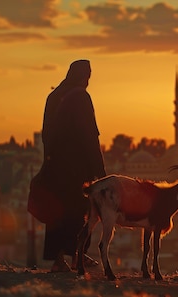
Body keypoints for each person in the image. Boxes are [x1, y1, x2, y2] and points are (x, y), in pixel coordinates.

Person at [41, 59, 106, 272]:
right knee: (80, 211)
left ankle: (59, 259)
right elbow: (90, 135)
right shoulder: (80, 97)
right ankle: (78, 255)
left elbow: (46, 133)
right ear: (83, 76)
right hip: (77, 167)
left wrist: (49, 160)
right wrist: (100, 171)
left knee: (57, 210)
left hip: (55, 164)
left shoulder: (54, 97)